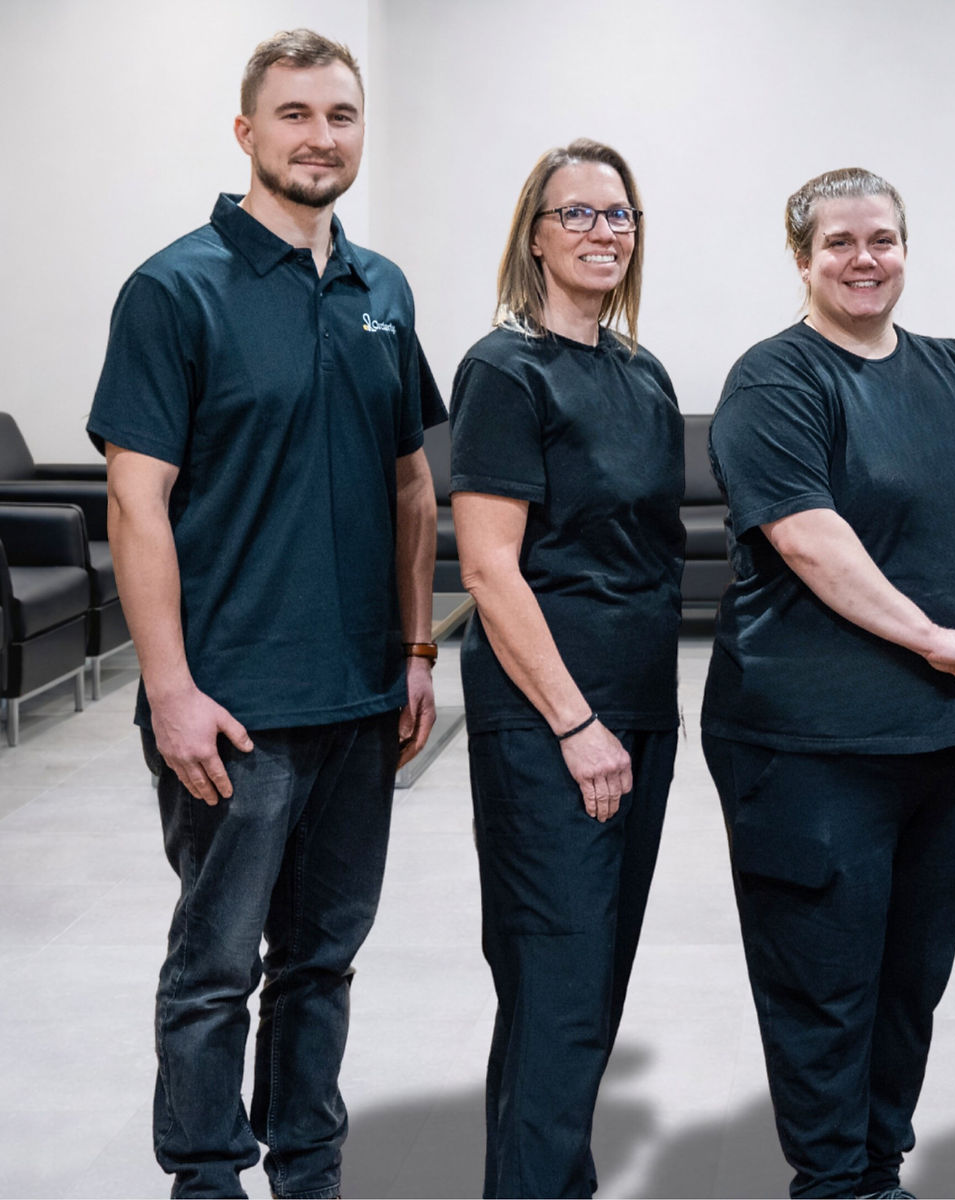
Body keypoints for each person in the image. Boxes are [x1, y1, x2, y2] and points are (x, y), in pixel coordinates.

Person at [87, 29, 443, 1199]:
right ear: (247, 132)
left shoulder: (379, 287)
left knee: (322, 964)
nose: (320, 137)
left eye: (340, 115)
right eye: (295, 115)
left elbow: (409, 484)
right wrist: (172, 689)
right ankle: (203, 1179)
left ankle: (309, 1170)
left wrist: (415, 650)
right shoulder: (173, 287)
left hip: (359, 698)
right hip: (232, 705)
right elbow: (137, 506)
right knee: (213, 970)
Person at [702, 167, 955, 1199]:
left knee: (911, 981)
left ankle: (877, 1168)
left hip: (954, 740)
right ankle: (833, 1180)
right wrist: (939, 642)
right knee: (826, 984)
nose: (866, 259)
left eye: (884, 239)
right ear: (802, 257)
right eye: (841, 243)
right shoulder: (777, 380)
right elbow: (811, 540)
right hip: (815, 749)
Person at [449, 139, 683, 1199]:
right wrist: (575, 724)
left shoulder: (642, 373)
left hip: (641, 708)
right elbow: (493, 570)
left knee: (592, 982)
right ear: (534, 234)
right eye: (579, 214)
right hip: (551, 719)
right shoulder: (504, 370)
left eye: (620, 215)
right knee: (557, 980)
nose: (603, 233)